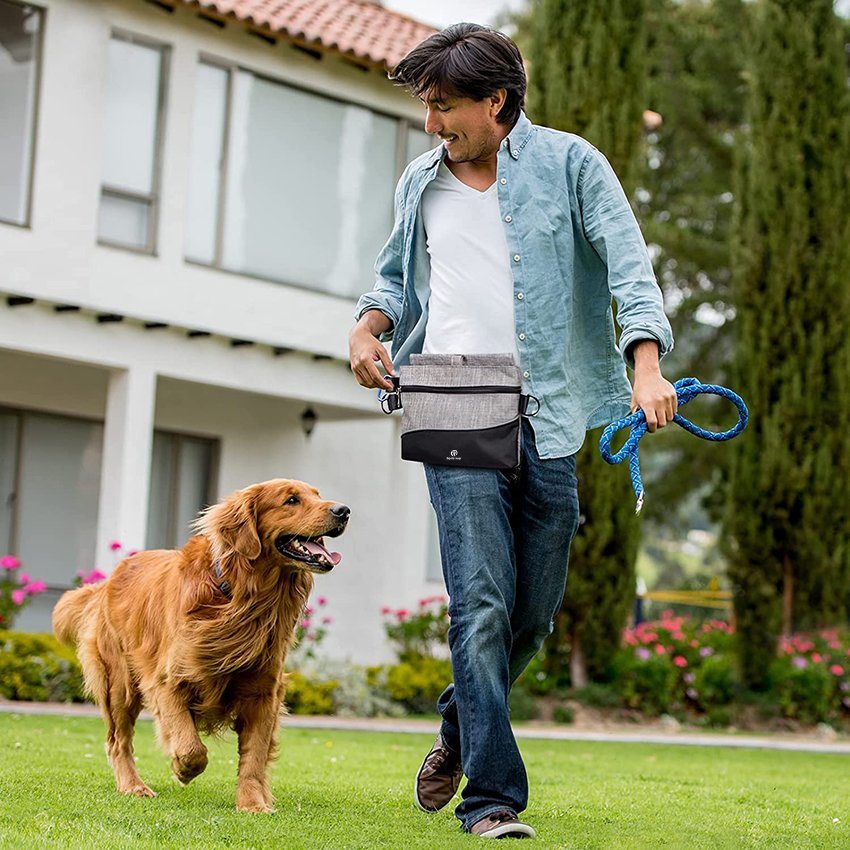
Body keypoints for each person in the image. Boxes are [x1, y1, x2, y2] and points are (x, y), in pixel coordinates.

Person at [348, 23, 676, 840]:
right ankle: (491, 799)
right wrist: (367, 329)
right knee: (480, 599)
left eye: (445, 107)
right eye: (427, 108)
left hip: (552, 403)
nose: (432, 125)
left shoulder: (572, 165)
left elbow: (631, 268)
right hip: (452, 391)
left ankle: (460, 725)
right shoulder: (420, 182)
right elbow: (392, 278)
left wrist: (645, 367)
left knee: (531, 613)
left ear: (496, 101)